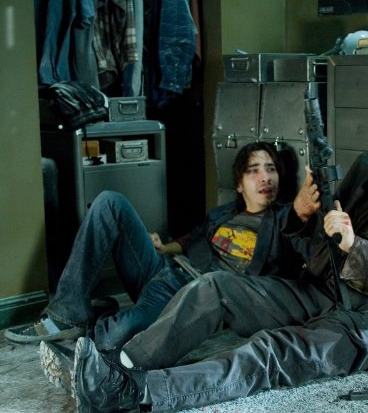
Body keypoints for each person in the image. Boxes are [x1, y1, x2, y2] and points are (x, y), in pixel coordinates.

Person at [67, 108, 368, 412]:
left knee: (273, 350)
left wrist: (357, 246)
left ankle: (138, 393)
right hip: (328, 288)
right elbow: (318, 239)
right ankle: (120, 367)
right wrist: (302, 214)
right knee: (213, 288)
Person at [5, 141, 308, 353]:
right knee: (110, 202)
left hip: (191, 296)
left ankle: (97, 316)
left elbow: (296, 247)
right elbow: (192, 239)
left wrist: (304, 211)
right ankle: (68, 311)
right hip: (166, 270)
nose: (265, 177)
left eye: (271, 169)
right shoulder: (223, 214)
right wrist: (164, 247)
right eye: (254, 170)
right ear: (239, 184)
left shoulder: (283, 220)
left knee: (115, 338)